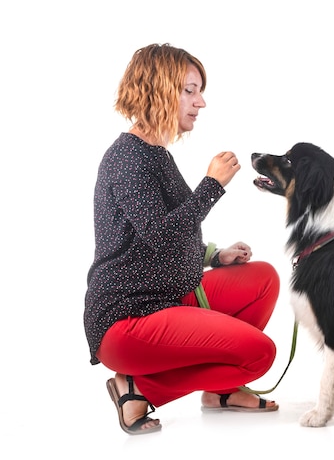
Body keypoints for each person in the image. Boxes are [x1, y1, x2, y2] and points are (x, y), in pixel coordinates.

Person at [84, 43, 281, 435]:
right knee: (261, 354)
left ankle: (221, 391)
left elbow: (150, 235)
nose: (201, 102)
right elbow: (159, 236)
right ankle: (137, 389)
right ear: (159, 89)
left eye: (199, 90)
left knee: (263, 279)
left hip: (167, 294)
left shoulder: (155, 153)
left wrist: (214, 254)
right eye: (189, 90)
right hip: (129, 318)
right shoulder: (128, 159)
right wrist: (211, 186)